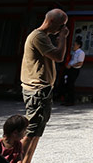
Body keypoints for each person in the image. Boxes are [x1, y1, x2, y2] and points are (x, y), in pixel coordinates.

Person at [20, 9, 68, 163]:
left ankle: (26, 161)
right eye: (61, 26)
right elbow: (59, 56)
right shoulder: (38, 36)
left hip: (43, 89)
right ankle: (15, 159)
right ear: (51, 21)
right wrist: (62, 38)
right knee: (31, 130)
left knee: (37, 131)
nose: (61, 29)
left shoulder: (44, 37)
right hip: (36, 90)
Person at [58, 38, 85, 106]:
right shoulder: (74, 52)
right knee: (66, 84)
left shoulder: (81, 53)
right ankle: (66, 99)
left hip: (74, 69)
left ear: (78, 45)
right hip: (69, 68)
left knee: (71, 85)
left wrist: (71, 65)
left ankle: (71, 100)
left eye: (74, 45)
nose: (73, 46)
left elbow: (80, 63)